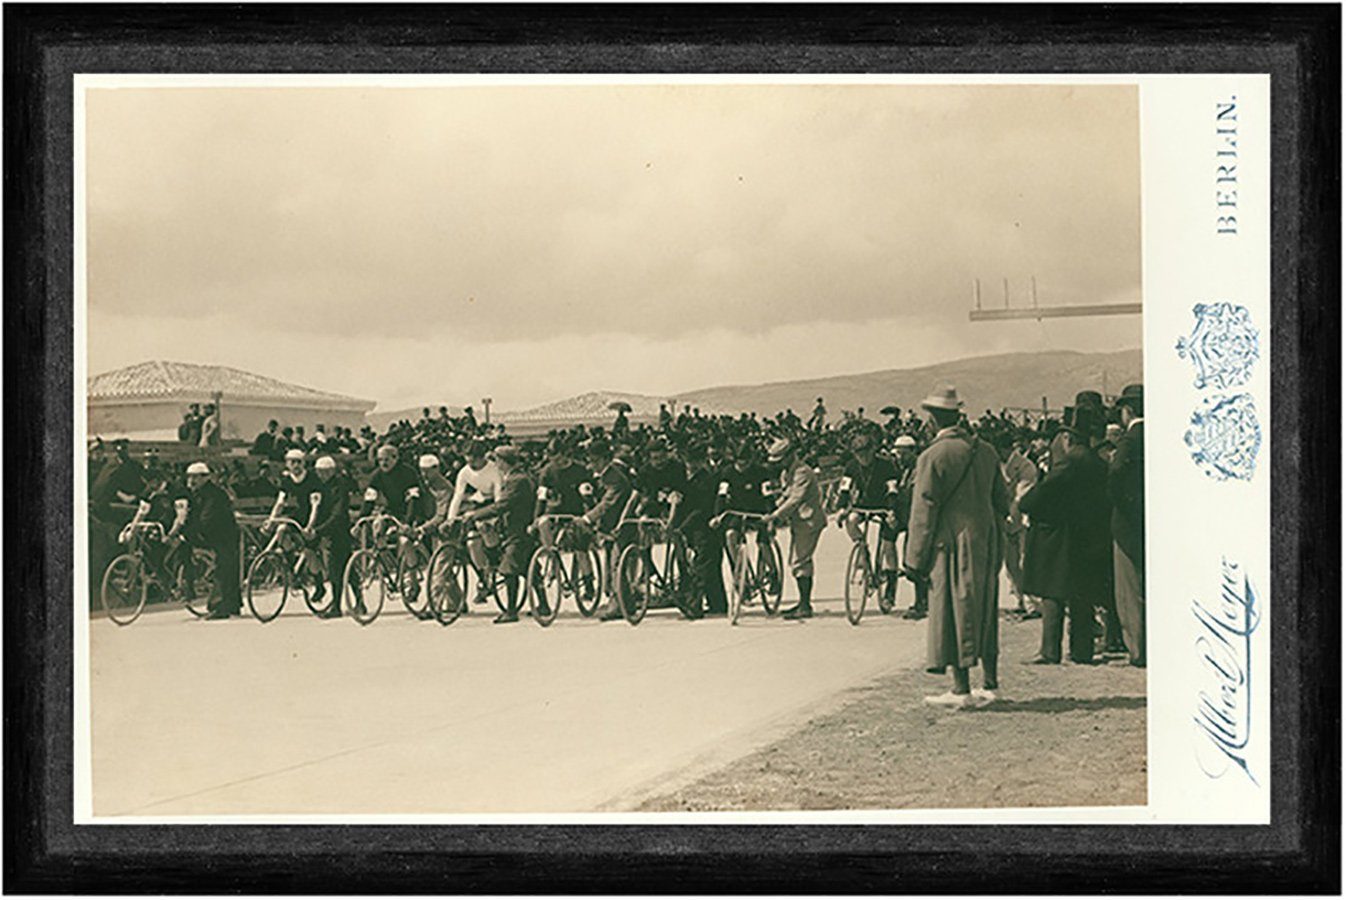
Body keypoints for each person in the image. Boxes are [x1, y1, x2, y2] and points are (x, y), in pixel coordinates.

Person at [903, 384, 1008, 708]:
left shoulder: (933, 456)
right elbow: (1002, 501)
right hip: (986, 539)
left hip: (950, 543)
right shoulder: (986, 451)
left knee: (953, 609)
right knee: (985, 607)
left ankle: (961, 688)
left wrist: (914, 559)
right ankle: (990, 683)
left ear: (932, 419)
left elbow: (923, 511)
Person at [1019, 406, 1111, 666]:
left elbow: (1038, 497)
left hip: (1061, 535)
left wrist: (1025, 503)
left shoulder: (1068, 463)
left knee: (1053, 592)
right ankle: (1082, 650)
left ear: (1068, 438)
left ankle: (1050, 650)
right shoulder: (1097, 462)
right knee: (1082, 594)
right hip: (1088, 535)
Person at [462, 445, 536, 624]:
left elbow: (503, 505)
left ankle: (511, 611)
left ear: (504, 461)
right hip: (515, 528)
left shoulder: (517, 480)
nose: (495, 464)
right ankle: (543, 605)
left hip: (518, 529)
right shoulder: (514, 477)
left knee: (508, 569)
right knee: (528, 568)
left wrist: (475, 515)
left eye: (497, 460)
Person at [835, 430, 903, 611]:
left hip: (885, 505)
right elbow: (844, 489)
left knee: (888, 546)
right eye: (858, 454)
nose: (863, 458)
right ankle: (862, 550)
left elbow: (892, 490)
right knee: (851, 520)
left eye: (866, 453)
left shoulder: (886, 465)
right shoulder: (851, 466)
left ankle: (890, 591)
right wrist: (841, 508)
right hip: (863, 504)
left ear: (873, 450)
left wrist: (891, 511)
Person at [765, 436, 825, 620]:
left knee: (800, 562)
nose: (778, 464)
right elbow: (785, 495)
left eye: (780, 459)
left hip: (809, 520)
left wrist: (776, 515)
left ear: (790, 455)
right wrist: (771, 508)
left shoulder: (802, 472)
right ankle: (802, 603)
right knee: (797, 561)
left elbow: (795, 499)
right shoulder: (787, 473)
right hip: (798, 522)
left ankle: (805, 606)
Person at [1109, 384, 1145, 667]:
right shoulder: (1159, 436)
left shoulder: (1128, 441)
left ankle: (1138, 649)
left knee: (1130, 591)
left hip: (1127, 523)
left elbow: (1116, 476)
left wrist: (1123, 504)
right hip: (1152, 520)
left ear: (1128, 410)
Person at [582, 437, 634, 621]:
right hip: (609, 527)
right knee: (612, 563)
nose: (592, 465)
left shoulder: (615, 478)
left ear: (606, 458)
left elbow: (607, 503)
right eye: (590, 460)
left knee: (616, 565)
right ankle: (626, 602)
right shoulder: (603, 476)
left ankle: (617, 604)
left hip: (621, 526)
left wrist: (588, 518)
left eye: (595, 461)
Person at [182, 462, 242, 619]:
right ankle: (188, 590)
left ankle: (219, 607)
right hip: (210, 535)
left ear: (205, 478)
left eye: (195, 477)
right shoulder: (194, 493)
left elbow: (206, 519)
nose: (191, 481)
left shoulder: (214, 494)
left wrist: (189, 532)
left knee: (223, 567)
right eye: (189, 477)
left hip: (224, 536)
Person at [446, 440, 503, 601]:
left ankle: (493, 562)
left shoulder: (494, 470)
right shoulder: (464, 472)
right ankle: (483, 577)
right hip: (478, 503)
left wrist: (496, 518)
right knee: (472, 542)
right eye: (468, 460)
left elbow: (499, 497)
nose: (471, 464)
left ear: (482, 457)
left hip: (494, 503)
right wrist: (451, 519)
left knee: (486, 529)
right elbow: (457, 496)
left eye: (474, 461)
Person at [678, 441, 728, 616]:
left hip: (705, 527)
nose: (690, 465)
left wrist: (682, 527)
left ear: (701, 461)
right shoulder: (684, 477)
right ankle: (717, 604)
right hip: (693, 527)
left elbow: (702, 508)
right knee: (709, 566)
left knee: (703, 566)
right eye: (688, 461)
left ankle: (695, 605)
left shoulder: (706, 479)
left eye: (694, 461)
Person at [997, 433, 1040, 619]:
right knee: (1010, 563)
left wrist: (1009, 513)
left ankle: (1033, 603)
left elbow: (1022, 495)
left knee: (1025, 561)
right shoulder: (997, 465)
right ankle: (1019, 600)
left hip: (1022, 520)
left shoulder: (1025, 465)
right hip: (1005, 521)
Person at [891, 434, 929, 620]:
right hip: (907, 518)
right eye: (898, 454)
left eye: (903, 454)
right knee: (910, 562)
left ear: (913, 452)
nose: (900, 457)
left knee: (914, 563)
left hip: (918, 520)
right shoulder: (904, 470)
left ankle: (921, 603)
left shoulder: (920, 469)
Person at [310, 455, 351, 618]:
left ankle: (336, 606)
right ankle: (355, 602)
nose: (322, 475)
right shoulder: (318, 486)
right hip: (326, 529)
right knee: (341, 567)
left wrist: (319, 530)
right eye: (319, 472)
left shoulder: (340, 486)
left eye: (326, 472)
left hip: (339, 529)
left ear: (332, 471)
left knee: (338, 568)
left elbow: (338, 513)